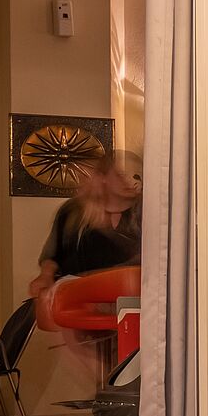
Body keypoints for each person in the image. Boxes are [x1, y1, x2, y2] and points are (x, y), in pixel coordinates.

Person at [31, 150, 141, 387]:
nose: (130, 180)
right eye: (121, 174)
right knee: (62, 310)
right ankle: (105, 388)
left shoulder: (144, 211)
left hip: (132, 295)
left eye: (136, 175)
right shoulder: (73, 211)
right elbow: (53, 254)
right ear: (103, 177)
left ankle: (119, 389)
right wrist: (45, 276)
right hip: (81, 296)